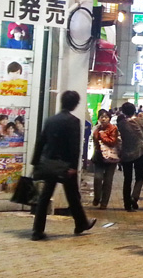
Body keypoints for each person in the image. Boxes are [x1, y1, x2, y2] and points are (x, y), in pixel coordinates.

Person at [31, 91, 96, 241]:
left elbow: (41, 141)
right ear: (74, 104)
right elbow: (75, 146)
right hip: (65, 165)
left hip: (49, 163)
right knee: (72, 195)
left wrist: (35, 162)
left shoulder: (51, 120)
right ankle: (81, 223)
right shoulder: (73, 121)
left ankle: (37, 230)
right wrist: (74, 166)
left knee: (45, 197)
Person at [117, 102, 143, 211]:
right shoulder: (142, 122)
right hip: (140, 151)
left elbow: (120, 139)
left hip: (126, 152)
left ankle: (127, 203)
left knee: (127, 179)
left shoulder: (121, 123)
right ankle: (134, 197)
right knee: (139, 177)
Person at [90, 109, 119, 209]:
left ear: (109, 119)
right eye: (101, 117)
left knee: (108, 180)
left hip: (111, 158)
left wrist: (102, 135)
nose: (103, 119)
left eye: (106, 117)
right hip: (99, 157)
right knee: (97, 178)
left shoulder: (113, 128)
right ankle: (97, 197)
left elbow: (112, 142)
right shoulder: (97, 129)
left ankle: (104, 202)